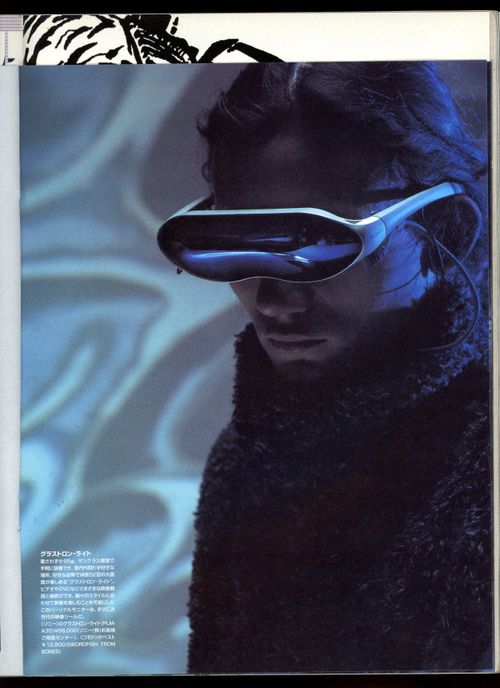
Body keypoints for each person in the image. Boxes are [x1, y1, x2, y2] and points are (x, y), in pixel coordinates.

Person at [157, 62, 492, 673]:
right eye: (239, 246)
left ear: (448, 229)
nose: (273, 300)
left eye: (321, 245)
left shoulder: (485, 468)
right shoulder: (240, 461)